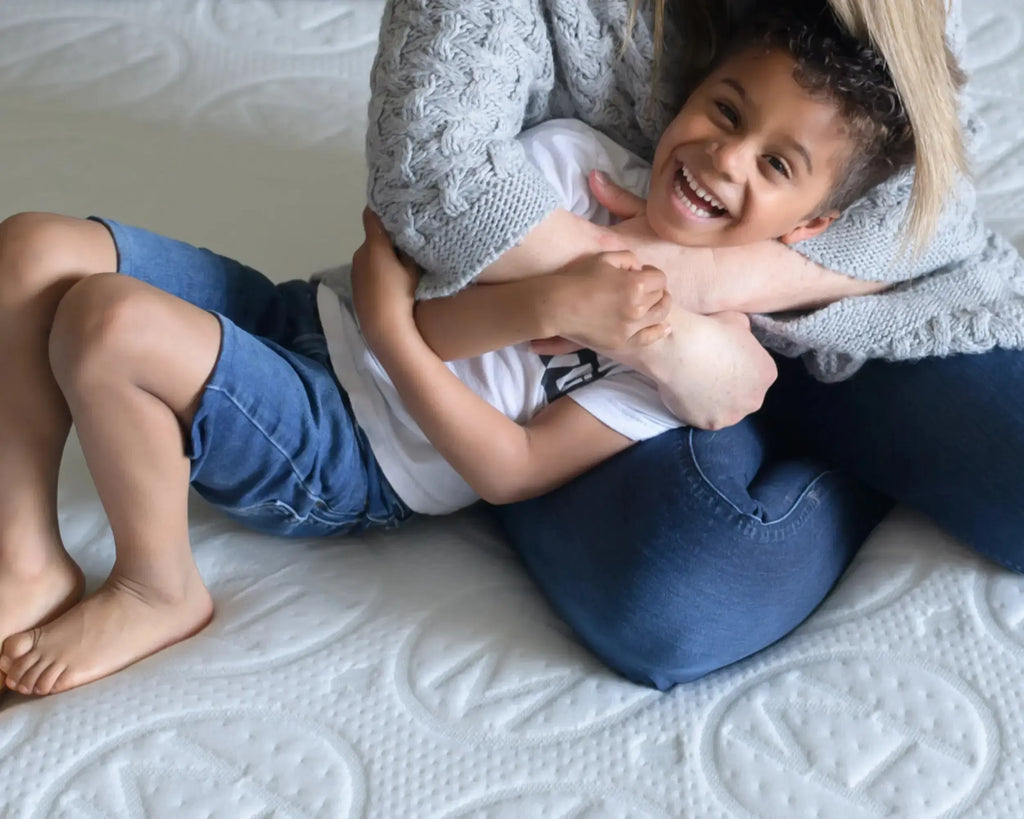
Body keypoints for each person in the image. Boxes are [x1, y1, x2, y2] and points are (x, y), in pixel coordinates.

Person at [0, 11, 912, 697]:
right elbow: (434, 307)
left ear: (813, 227)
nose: (726, 157)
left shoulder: (697, 361)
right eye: (724, 110)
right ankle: (26, 557)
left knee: (109, 325)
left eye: (777, 166)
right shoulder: (570, 164)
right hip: (309, 317)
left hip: (356, 451)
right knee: (31, 249)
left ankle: (155, 583)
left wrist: (408, 325)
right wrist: (538, 301)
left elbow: (512, 467)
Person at [358, 0, 1024, 688]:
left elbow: (937, 204)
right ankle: (839, 455)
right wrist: (645, 319)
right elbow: (436, 178)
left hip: (827, 297)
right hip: (580, 353)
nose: (729, 156)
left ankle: (823, 417)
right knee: (681, 601)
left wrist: (695, 279)